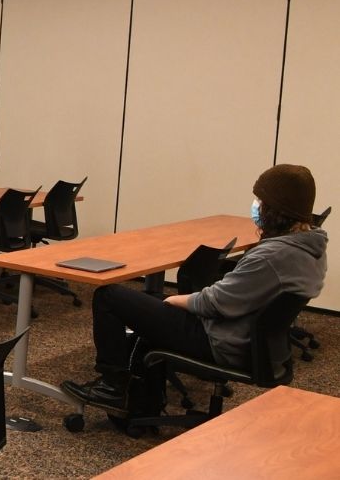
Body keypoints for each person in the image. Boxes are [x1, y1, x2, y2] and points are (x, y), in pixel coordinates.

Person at [61, 164, 328, 413]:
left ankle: (112, 387)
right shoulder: (310, 249)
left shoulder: (271, 256)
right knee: (150, 301)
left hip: (221, 339)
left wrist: (178, 300)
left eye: (261, 201)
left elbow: (216, 303)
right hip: (247, 340)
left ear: (275, 210)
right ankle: (143, 402)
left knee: (109, 296)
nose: (256, 206)